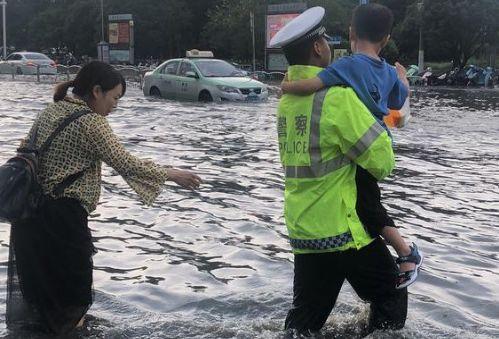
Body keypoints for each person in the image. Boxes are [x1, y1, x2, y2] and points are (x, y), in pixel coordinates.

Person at [6, 61, 202, 335]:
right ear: (97, 91)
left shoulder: (51, 110)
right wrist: (171, 174)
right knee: (73, 301)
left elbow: (23, 150)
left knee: (41, 303)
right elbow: (126, 163)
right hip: (63, 222)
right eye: (114, 98)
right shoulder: (92, 123)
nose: (115, 106)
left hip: (29, 219)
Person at [269, 6, 408, 336]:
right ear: (318, 48)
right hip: (342, 231)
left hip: (303, 229)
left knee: (303, 323)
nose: (330, 47)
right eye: (325, 41)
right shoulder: (338, 98)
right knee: (392, 293)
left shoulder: (287, 101)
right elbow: (383, 164)